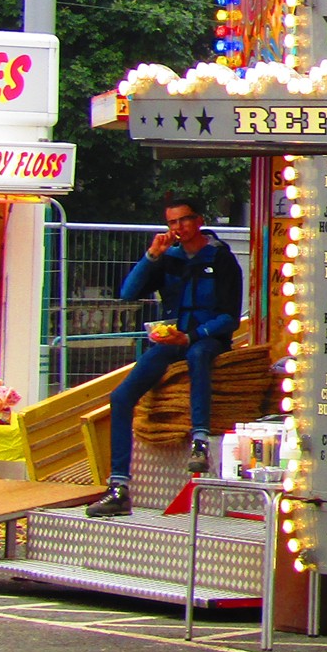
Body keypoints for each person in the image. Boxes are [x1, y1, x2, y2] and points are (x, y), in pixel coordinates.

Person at [86, 199, 243, 517]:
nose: (177, 229)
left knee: (199, 356)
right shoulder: (169, 259)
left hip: (206, 338)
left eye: (183, 221)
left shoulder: (222, 259)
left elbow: (230, 318)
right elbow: (128, 293)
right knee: (121, 396)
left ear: (198, 221)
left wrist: (194, 335)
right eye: (171, 223)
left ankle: (199, 440)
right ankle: (118, 487)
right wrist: (151, 257)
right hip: (171, 340)